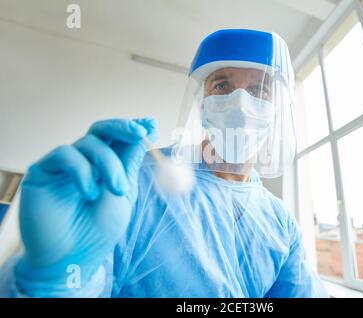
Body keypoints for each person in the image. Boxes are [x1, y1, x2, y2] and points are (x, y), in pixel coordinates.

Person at [0, 29, 327, 297]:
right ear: (202, 104)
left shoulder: (281, 222)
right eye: (223, 86)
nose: (240, 104)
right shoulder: (134, 186)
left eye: (259, 90)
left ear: (277, 110)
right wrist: (51, 280)